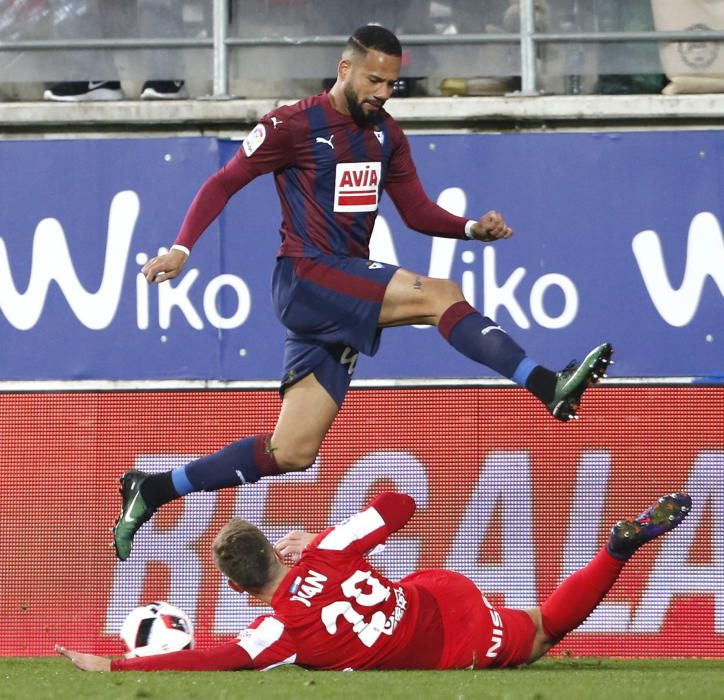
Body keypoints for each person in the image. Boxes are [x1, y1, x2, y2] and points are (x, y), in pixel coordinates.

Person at [112, 24, 613, 561]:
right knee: (439, 294)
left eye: (392, 83)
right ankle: (546, 384)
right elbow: (222, 183)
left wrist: (471, 229)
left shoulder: (386, 135)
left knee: (293, 451)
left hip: (340, 286)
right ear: (345, 69)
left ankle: (153, 489)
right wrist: (182, 250)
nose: (382, 92)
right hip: (307, 276)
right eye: (374, 79)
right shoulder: (291, 124)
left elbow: (416, 212)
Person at [58, 490, 691, 671]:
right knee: (534, 620)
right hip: (436, 590)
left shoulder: (272, 634)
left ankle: (615, 549)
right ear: (275, 544)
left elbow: (212, 659)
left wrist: (113, 667)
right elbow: (401, 503)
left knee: (546, 634)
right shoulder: (327, 549)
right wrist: (318, 535)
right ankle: (616, 547)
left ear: (234, 587)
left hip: (446, 644)